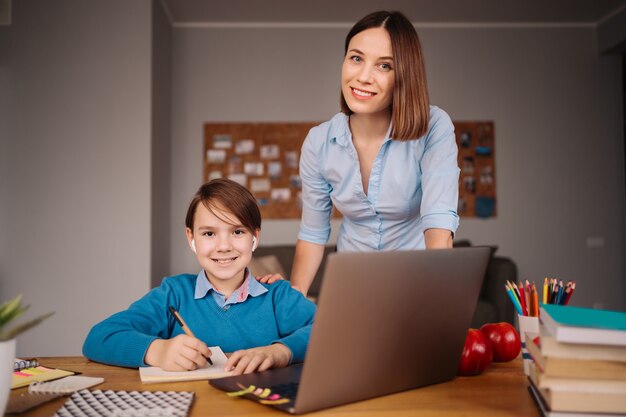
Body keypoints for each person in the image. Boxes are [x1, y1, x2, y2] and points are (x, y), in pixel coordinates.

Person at [259, 11, 459, 296]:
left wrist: (437, 298)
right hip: (351, 285)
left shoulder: (433, 127)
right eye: (356, 58)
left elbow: (438, 222)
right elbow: (314, 234)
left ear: (405, 74)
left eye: (384, 66)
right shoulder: (320, 142)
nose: (363, 77)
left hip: (415, 283)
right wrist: (294, 300)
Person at [83, 179, 316, 375]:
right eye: (209, 233)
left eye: (237, 232)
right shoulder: (172, 294)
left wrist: (281, 351)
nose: (223, 246)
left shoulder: (277, 296)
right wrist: (157, 351)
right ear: (191, 238)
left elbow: (331, 332)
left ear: (255, 237)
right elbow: (99, 338)